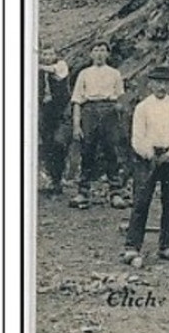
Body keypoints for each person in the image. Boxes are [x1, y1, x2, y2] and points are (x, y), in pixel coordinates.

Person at [122, 65, 169, 268]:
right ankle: (132, 246)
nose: (161, 86)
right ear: (150, 84)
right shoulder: (143, 107)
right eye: (157, 82)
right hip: (147, 158)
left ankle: (167, 245)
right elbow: (137, 137)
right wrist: (148, 154)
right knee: (141, 201)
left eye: (165, 82)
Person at [69, 41, 127, 209]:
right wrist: (76, 125)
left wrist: (118, 109)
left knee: (111, 151)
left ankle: (115, 192)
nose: (100, 54)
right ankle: (83, 192)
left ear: (108, 54)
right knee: (88, 150)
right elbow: (77, 101)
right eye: (96, 50)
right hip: (89, 111)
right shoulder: (84, 74)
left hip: (109, 111)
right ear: (91, 54)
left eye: (103, 50)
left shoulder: (115, 73)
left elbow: (120, 97)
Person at [37, 45, 71, 198]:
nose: (47, 56)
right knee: (46, 145)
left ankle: (58, 180)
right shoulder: (39, 72)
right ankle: (51, 180)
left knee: (59, 144)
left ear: (55, 54)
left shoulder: (60, 65)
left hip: (60, 112)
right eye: (45, 53)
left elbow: (55, 72)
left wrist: (36, 65)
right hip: (45, 113)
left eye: (50, 53)